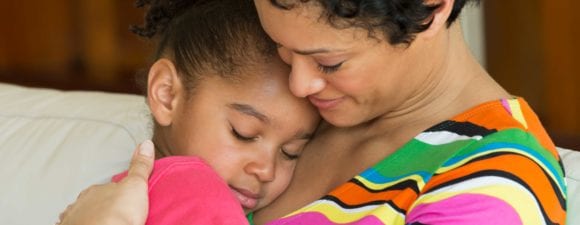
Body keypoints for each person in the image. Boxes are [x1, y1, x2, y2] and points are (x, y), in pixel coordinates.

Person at [58, 0, 567, 224]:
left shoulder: (496, 176)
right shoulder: (295, 111)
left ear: (430, 8)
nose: (300, 84)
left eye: (329, 60)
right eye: (283, 50)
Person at [57, 0, 320, 224]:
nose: (266, 170)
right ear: (167, 94)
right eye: (243, 133)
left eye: (290, 152)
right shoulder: (197, 191)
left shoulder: (120, 194)